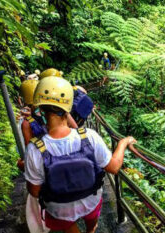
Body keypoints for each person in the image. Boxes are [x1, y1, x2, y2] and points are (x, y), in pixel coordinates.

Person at [24, 76, 136, 233]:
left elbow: (34, 192)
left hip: (59, 210)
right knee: (92, 225)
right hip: (90, 202)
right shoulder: (89, 136)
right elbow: (114, 167)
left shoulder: (34, 149)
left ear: (40, 109)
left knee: (67, 224)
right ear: (69, 107)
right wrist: (122, 143)